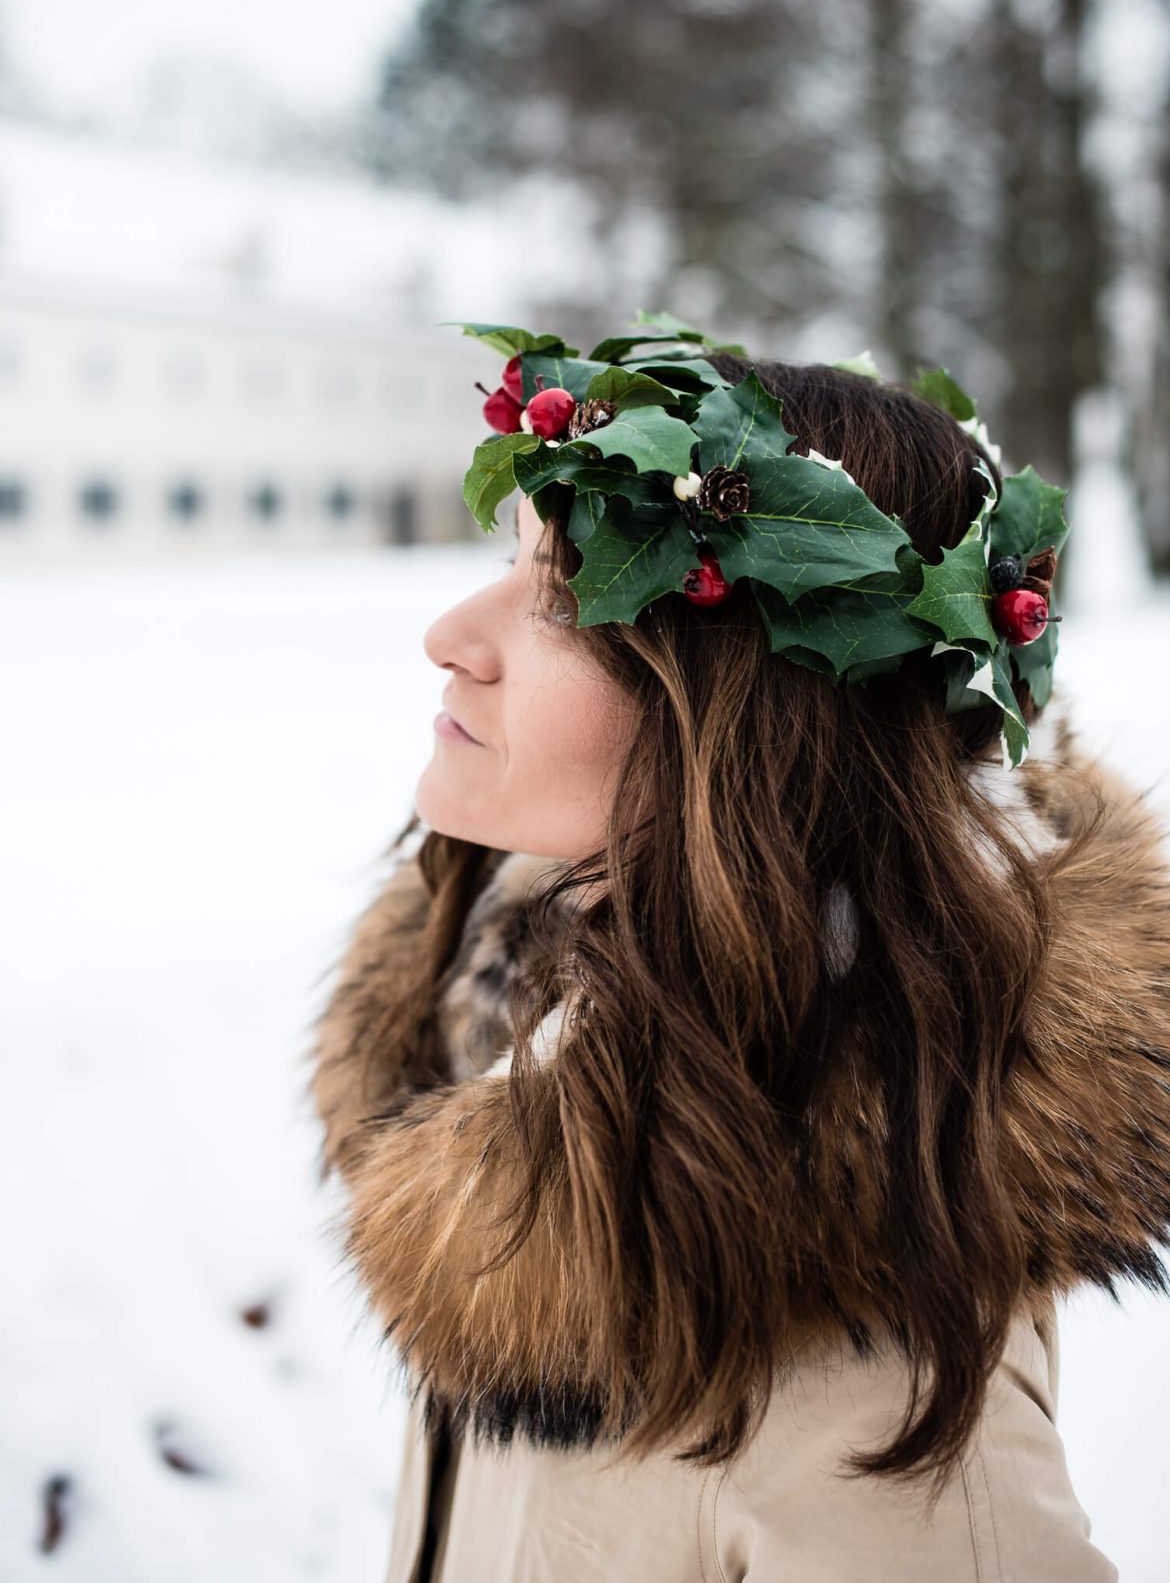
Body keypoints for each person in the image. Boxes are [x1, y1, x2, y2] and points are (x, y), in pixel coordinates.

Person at [306, 328, 1170, 1582]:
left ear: (762, 715)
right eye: (508, 564)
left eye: (569, 600)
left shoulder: (873, 1403)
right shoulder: (516, 1060)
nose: (452, 635)